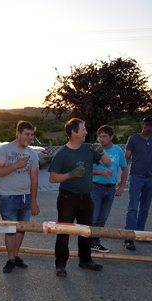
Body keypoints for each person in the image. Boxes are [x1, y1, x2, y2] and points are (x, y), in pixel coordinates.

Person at [48, 118, 111, 277]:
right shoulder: (62, 153)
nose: (85, 132)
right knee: (63, 232)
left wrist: (101, 151)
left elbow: (108, 164)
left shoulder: (88, 149)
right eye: (82, 129)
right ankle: (60, 265)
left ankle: (85, 260)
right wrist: (70, 174)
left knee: (86, 231)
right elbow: (52, 178)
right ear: (73, 133)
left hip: (86, 197)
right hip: (67, 198)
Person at [0, 120, 40, 273]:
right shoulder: (4, 149)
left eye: (32, 135)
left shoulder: (33, 154)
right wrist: (16, 165)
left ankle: (16, 256)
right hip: (8, 196)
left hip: (26, 197)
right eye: (27, 134)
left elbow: (34, 179)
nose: (30, 137)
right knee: (10, 229)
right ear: (18, 133)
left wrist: (34, 202)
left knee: (21, 229)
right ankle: (10, 259)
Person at [123, 115, 152, 251]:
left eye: (151, 125)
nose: (149, 127)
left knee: (145, 208)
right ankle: (129, 237)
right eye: (147, 125)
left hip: (150, 177)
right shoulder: (133, 139)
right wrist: (123, 177)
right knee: (133, 208)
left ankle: (140, 234)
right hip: (136, 176)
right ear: (143, 124)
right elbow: (126, 158)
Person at [90, 125, 128, 253]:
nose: (101, 139)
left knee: (102, 219)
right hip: (95, 188)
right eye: (100, 136)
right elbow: (85, 170)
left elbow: (125, 168)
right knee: (93, 218)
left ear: (111, 137)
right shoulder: (94, 149)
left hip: (110, 190)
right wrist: (100, 173)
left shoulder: (117, 150)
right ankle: (86, 243)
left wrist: (122, 186)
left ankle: (95, 243)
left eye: (105, 136)